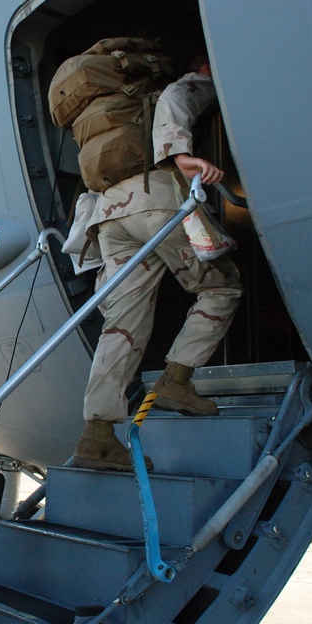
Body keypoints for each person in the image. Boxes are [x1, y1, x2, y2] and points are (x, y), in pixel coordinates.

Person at [74, 55, 242, 472]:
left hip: (109, 216)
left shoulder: (108, 115)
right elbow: (177, 96)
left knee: (121, 325)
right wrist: (180, 154)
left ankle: (96, 436)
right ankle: (176, 382)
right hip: (158, 205)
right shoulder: (173, 87)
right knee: (221, 285)